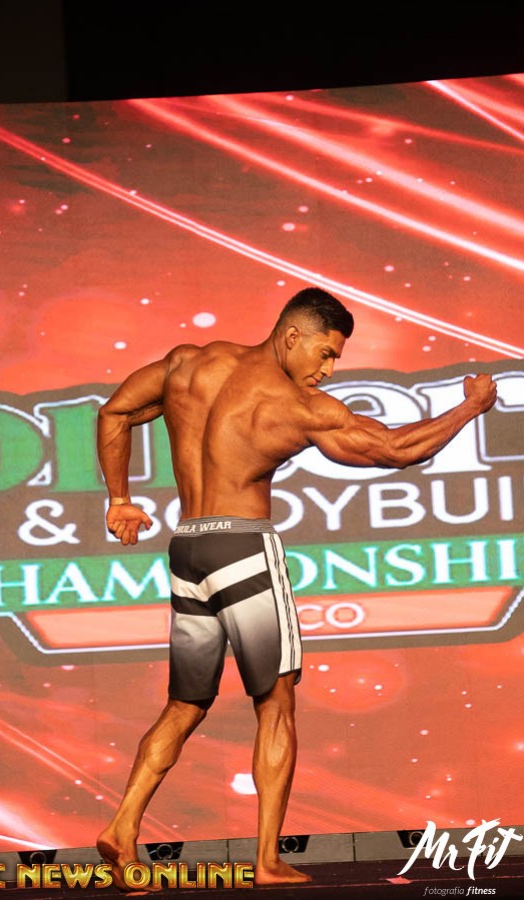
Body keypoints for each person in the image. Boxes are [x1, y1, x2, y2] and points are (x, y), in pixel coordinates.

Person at [95, 286, 496, 887]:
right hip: (243, 549)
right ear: (291, 335)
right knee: (276, 704)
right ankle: (266, 861)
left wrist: (120, 499)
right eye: (325, 353)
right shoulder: (292, 405)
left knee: (185, 704)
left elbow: (115, 412)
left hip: (189, 548)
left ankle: (122, 825)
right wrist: (471, 408)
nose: (328, 370)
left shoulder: (188, 363)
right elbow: (394, 449)